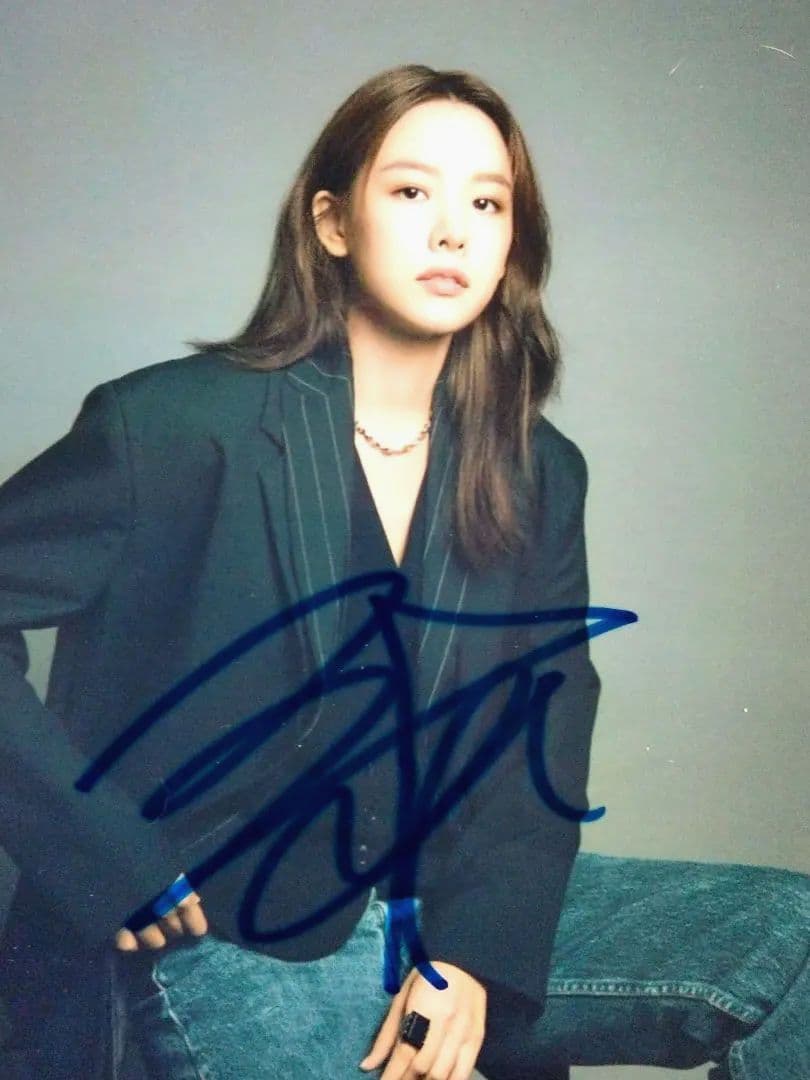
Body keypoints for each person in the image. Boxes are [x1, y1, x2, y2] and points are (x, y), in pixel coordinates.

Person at [0, 63, 807, 1080]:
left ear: (513, 242)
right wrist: (101, 855)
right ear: (334, 222)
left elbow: (540, 737)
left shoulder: (538, 471)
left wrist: (473, 958)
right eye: (413, 190)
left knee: (794, 940)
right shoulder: (170, 425)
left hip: (444, 912)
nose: (453, 232)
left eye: (488, 203)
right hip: (227, 925)